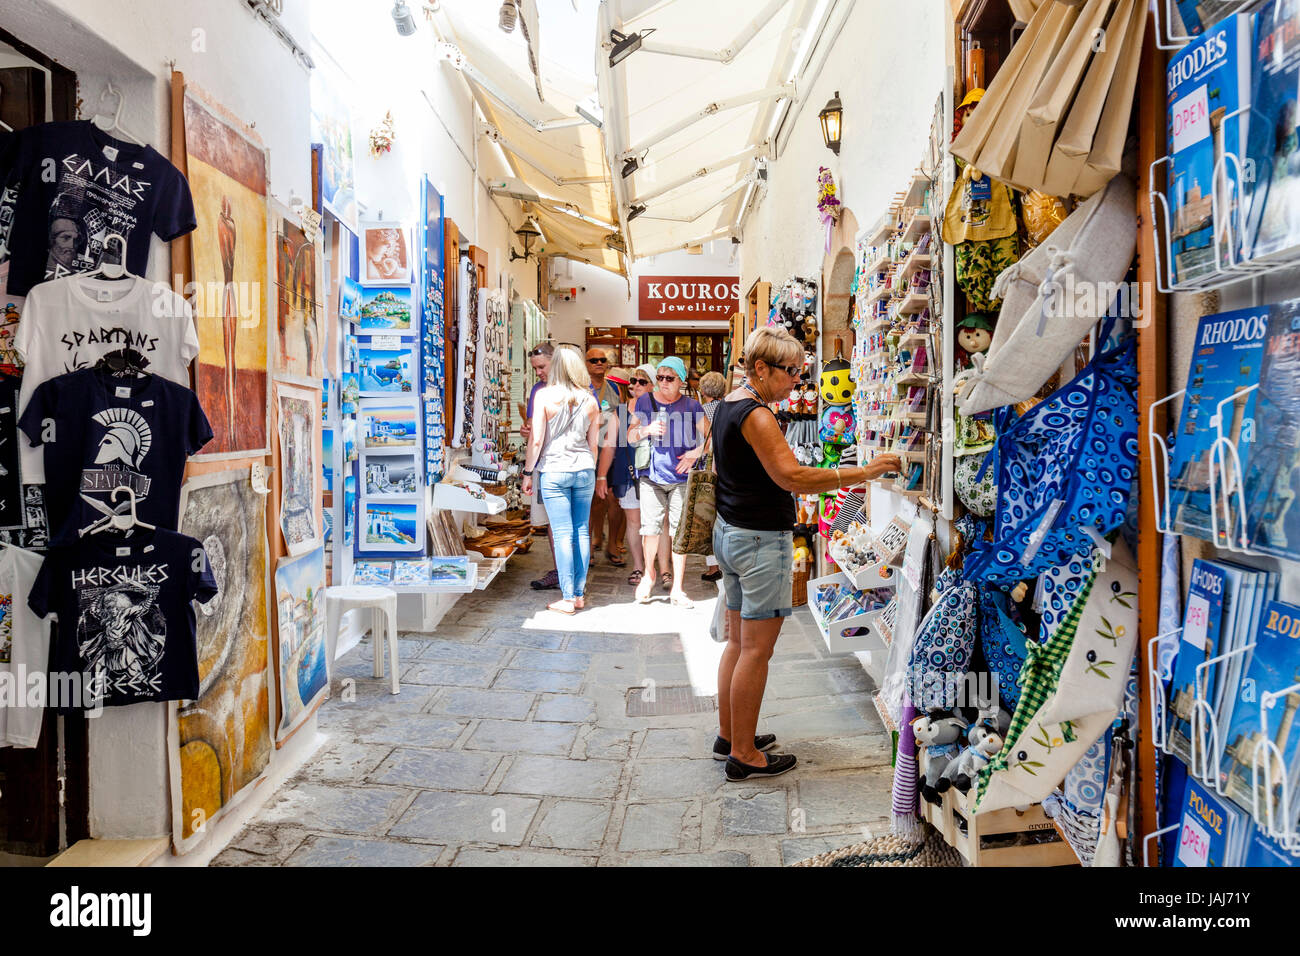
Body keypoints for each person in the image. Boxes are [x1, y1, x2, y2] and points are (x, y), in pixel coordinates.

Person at [712, 326, 900, 781]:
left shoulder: (727, 404)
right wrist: (864, 472)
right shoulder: (757, 415)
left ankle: (730, 736)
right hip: (758, 540)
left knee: (739, 643)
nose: (797, 380)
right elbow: (792, 477)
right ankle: (744, 755)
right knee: (756, 650)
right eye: (791, 371)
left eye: (801, 371)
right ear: (761, 368)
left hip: (732, 533)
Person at [521, 346, 600, 615]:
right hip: (584, 470)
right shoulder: (590, 400)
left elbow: (537, 439)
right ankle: (578, 593)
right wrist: (591, 470)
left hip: (554, 470)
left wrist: (528, 472)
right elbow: (594, 445)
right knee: (581, 531)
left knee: (563, 533)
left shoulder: (544, 396)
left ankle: (567, 598)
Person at [626, 356, 705, 608]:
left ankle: (678, 590)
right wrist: (646, 430)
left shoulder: (692, 406)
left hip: (681, 479)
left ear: (681, 381)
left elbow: (711, 437)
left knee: (678, 533)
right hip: (652, 477)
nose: (663, 383)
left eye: (669, 378)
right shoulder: (645, 401)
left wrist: (696, 453)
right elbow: (629, 436)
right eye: (659, 378)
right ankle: (649, 575)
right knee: (650, 530)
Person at [596, 364, 665, 586]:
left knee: (657, 523)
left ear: (653, 385)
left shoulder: (662, 410)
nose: (635, 385)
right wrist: (602, 476)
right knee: (634, 522)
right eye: (633, 381)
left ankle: (660, 567)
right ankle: (640, 567)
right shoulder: (622, 412)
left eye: (642, 381)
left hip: (657, 475)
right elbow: (609, 446)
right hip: (629, 473)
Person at [522, 343, 561, 592]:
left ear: (554, 362)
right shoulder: (538, 390)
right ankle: (560, 571)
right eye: (535, 369)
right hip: (544, 462)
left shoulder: (576, 387)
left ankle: (572, 575)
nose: (538, 373)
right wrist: (528, 427)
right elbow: (530, 425)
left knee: (572, 523)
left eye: (541, 367)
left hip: (566, 464)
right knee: (551, 522)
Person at [585, 346, 622, 561]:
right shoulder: (581, 388)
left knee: (614, 498)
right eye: (593, 360)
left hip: (611, 451)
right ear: (586, 365)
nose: (599, 363)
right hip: (589, 451)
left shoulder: (614, 389)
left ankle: (613, 545)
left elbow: (620, 416)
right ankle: (588, 546)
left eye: (602, 360)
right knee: (591, 501)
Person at [697, 370, 728, 583]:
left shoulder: (702, 412)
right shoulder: (728, 408)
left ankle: (713, 567)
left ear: (703, 390)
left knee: (708, 518)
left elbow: (703, 444)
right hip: (729, 469)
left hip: (709, 468)